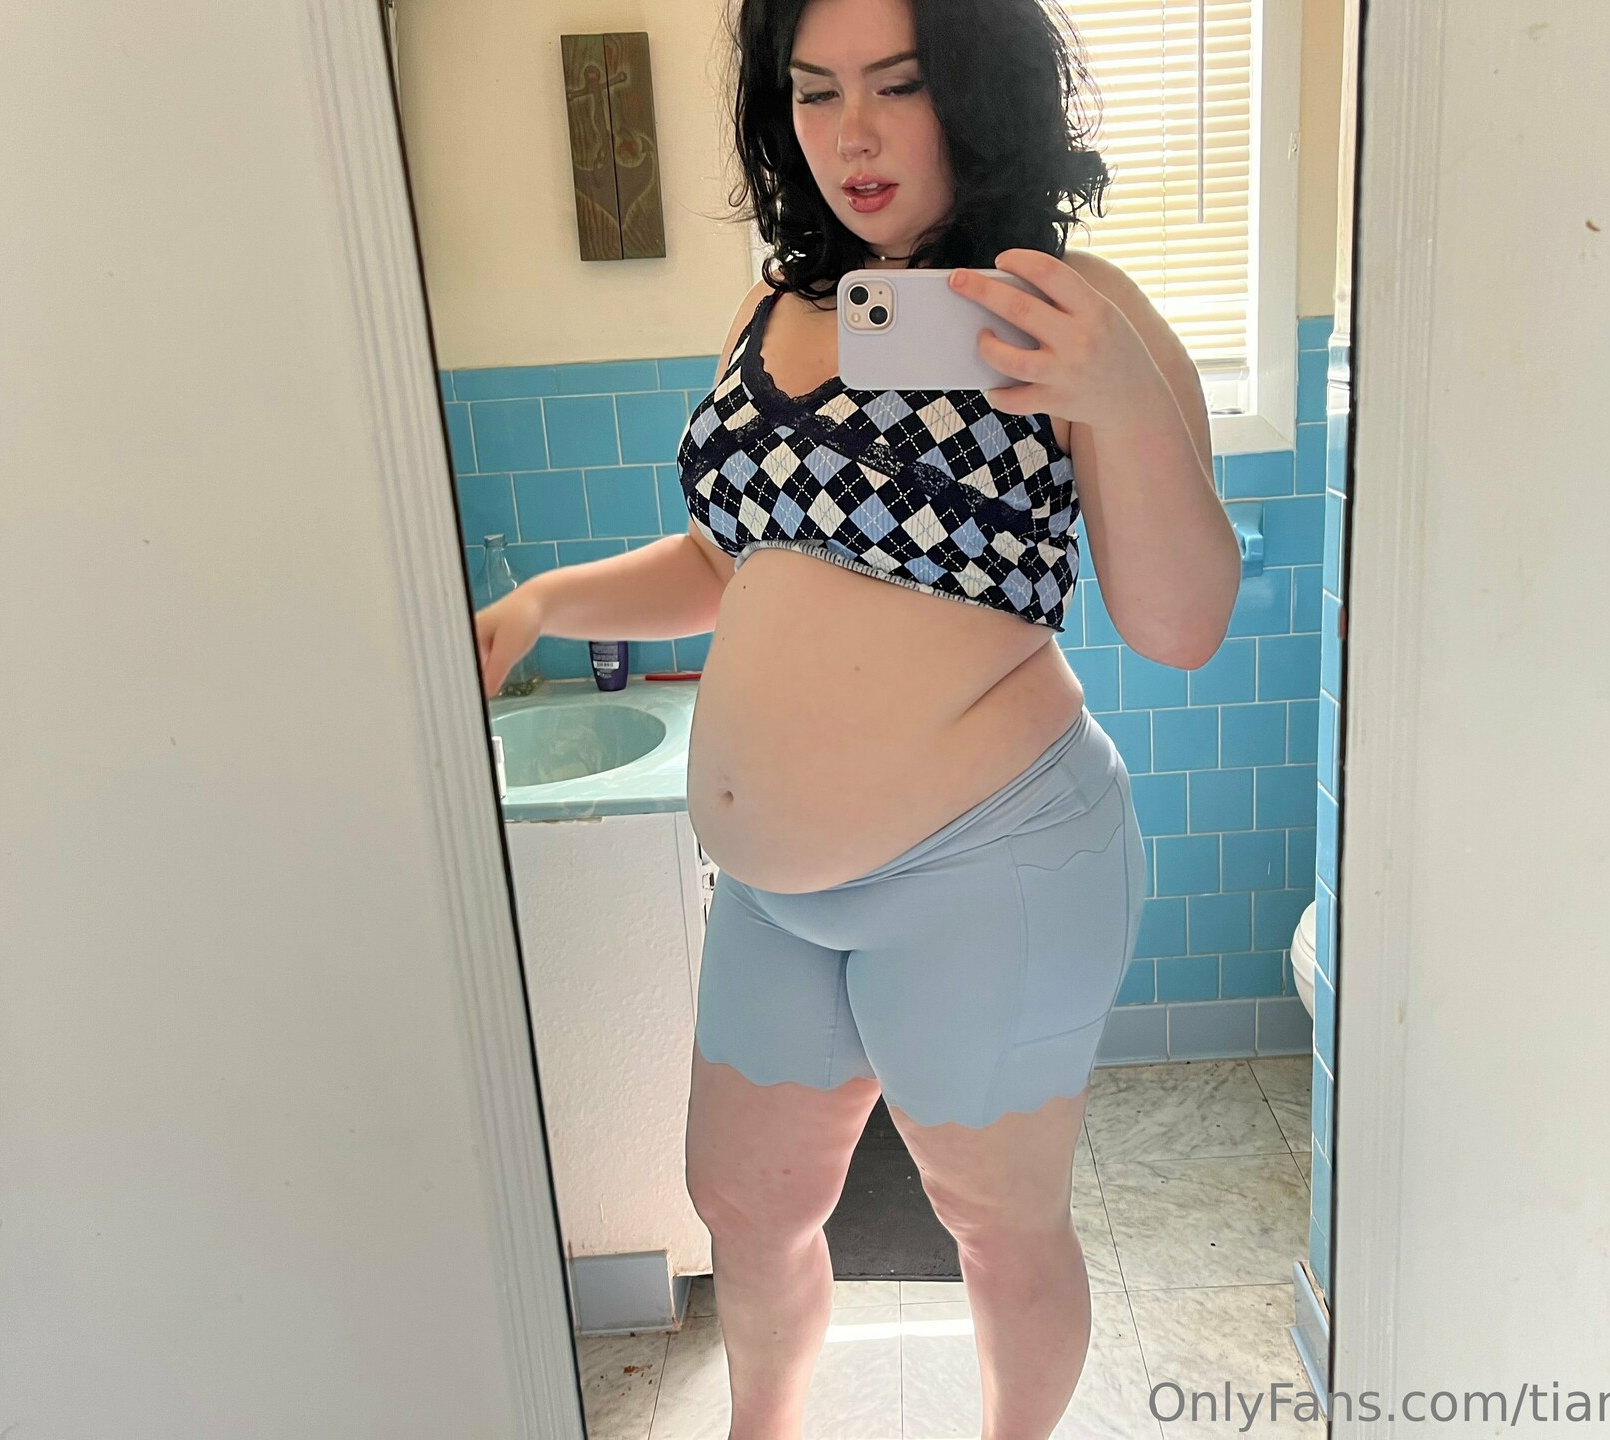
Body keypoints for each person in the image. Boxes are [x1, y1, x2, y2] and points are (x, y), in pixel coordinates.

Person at [474, 0, 1240, 1431]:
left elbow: (1183, 624)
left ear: (981, 91)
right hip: (775, 895)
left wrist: (1123, 397)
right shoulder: (777, 309)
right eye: (816, 91)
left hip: (991, 864)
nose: (856, 136)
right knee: (741, 1205)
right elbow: (731, 561)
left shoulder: (1076, 311)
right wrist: (541, 605)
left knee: (996, 1228)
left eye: (900, 84)